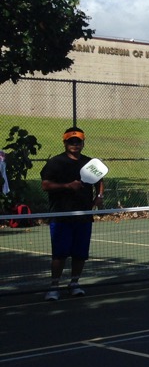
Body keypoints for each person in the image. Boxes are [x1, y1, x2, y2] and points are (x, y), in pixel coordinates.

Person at [40, 127, 105, 300]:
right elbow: (45, 185)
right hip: (61, 216)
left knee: (80, 253)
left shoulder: (89, 163)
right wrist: (68, 186)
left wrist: (99, 197)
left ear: (83, 143)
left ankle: (74, 283)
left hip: (83, 216)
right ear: (65, 143)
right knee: (60, 254)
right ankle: (54, 286)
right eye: (71, 141)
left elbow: (100, 180)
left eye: (78, 141)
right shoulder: (55, 163)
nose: (75, 144)